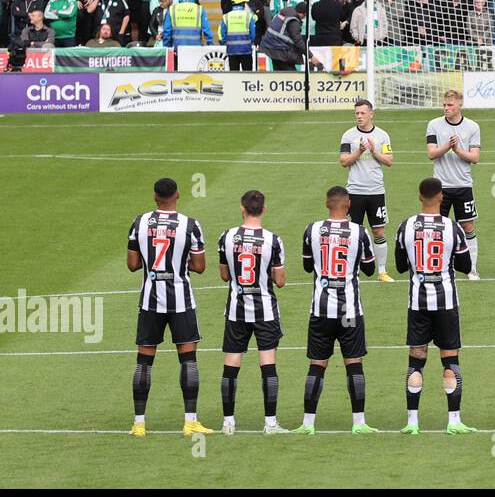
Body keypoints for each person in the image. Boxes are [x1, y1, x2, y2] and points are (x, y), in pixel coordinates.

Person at [126, 177, 208, 437]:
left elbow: (132, 264)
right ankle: (190, 421)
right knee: (188, 359)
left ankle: (139, 424)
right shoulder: (190, 225)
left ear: (154, 197)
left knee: (144, 361)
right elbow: (200, 266)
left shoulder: (139, 223)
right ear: (178, 195)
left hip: (150, 300)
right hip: (180, 300)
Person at [393, 177, 475, 436]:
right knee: (449, 360)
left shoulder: (406, 226)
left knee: (416, 361)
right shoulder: (452, 228)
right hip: (446, 302)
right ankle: (453, 420)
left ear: (420, 196)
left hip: (417, 303)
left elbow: (400, 266)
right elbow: (464, 266)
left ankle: (412, 422)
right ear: (441, 197)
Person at [295, 187, 376, 435]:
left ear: (326, 203)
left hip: (321, 310)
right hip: (349, 310)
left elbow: (308, 266)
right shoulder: (360, 232)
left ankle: (308, 424)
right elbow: (370, 269)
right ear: (349, 204)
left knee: (316, 365)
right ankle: (359, 423)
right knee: (354, 364)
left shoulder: (312, 230)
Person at [216, 189, 289, 436]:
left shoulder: (226, 237)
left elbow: (225, 275)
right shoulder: (273, 240)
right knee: (267, 364)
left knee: (231, 365)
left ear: (242, 208)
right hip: (265, 311)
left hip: (236, 310)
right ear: (264, 209)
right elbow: (280, 281)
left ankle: (228, 423)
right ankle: (270, 424)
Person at [425, 89, 483, 279]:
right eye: (444, 105)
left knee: (467, 227)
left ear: (459, 105)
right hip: (440, 187)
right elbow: (431, 154)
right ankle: (438, 267)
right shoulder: (433, 125)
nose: (446, 108)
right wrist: (448, 146)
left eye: (450, 105)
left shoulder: (472, 127)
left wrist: (457, 149)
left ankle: (471, 268)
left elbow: (475, 158)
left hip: (463, 186)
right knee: (436, 228)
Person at [339, 99, 395, 282]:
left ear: (371, 114)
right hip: (354, 191)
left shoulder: (382, 136)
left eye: (363, 113)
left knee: (378, 231)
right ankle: (352, 271)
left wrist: (373, 151)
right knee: (353, 233)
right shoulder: (348, 136)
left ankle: (382, 271)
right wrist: (359, 151)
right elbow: (343, 161)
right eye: (357, 113)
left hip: (376, 191)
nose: (359, 116)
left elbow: (389, 161)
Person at [260, 1, 306, 70]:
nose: (304, 18)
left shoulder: (286, 13)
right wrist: (310, 56)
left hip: (271, 47)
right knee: (290, 76)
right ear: (303, 14)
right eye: (305, 16)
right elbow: (298, 41)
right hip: (280, 50)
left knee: (279, 74)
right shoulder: (293, 21)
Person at [220, 0, 257, 70]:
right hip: (246, 50)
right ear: (243, 4)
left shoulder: (226, 16)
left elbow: (223, 33)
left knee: (234, 76)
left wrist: (224, 42)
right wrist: (250, 42)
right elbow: (253, 34)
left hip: (231, 50)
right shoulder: (249, 16)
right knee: (247, 76)